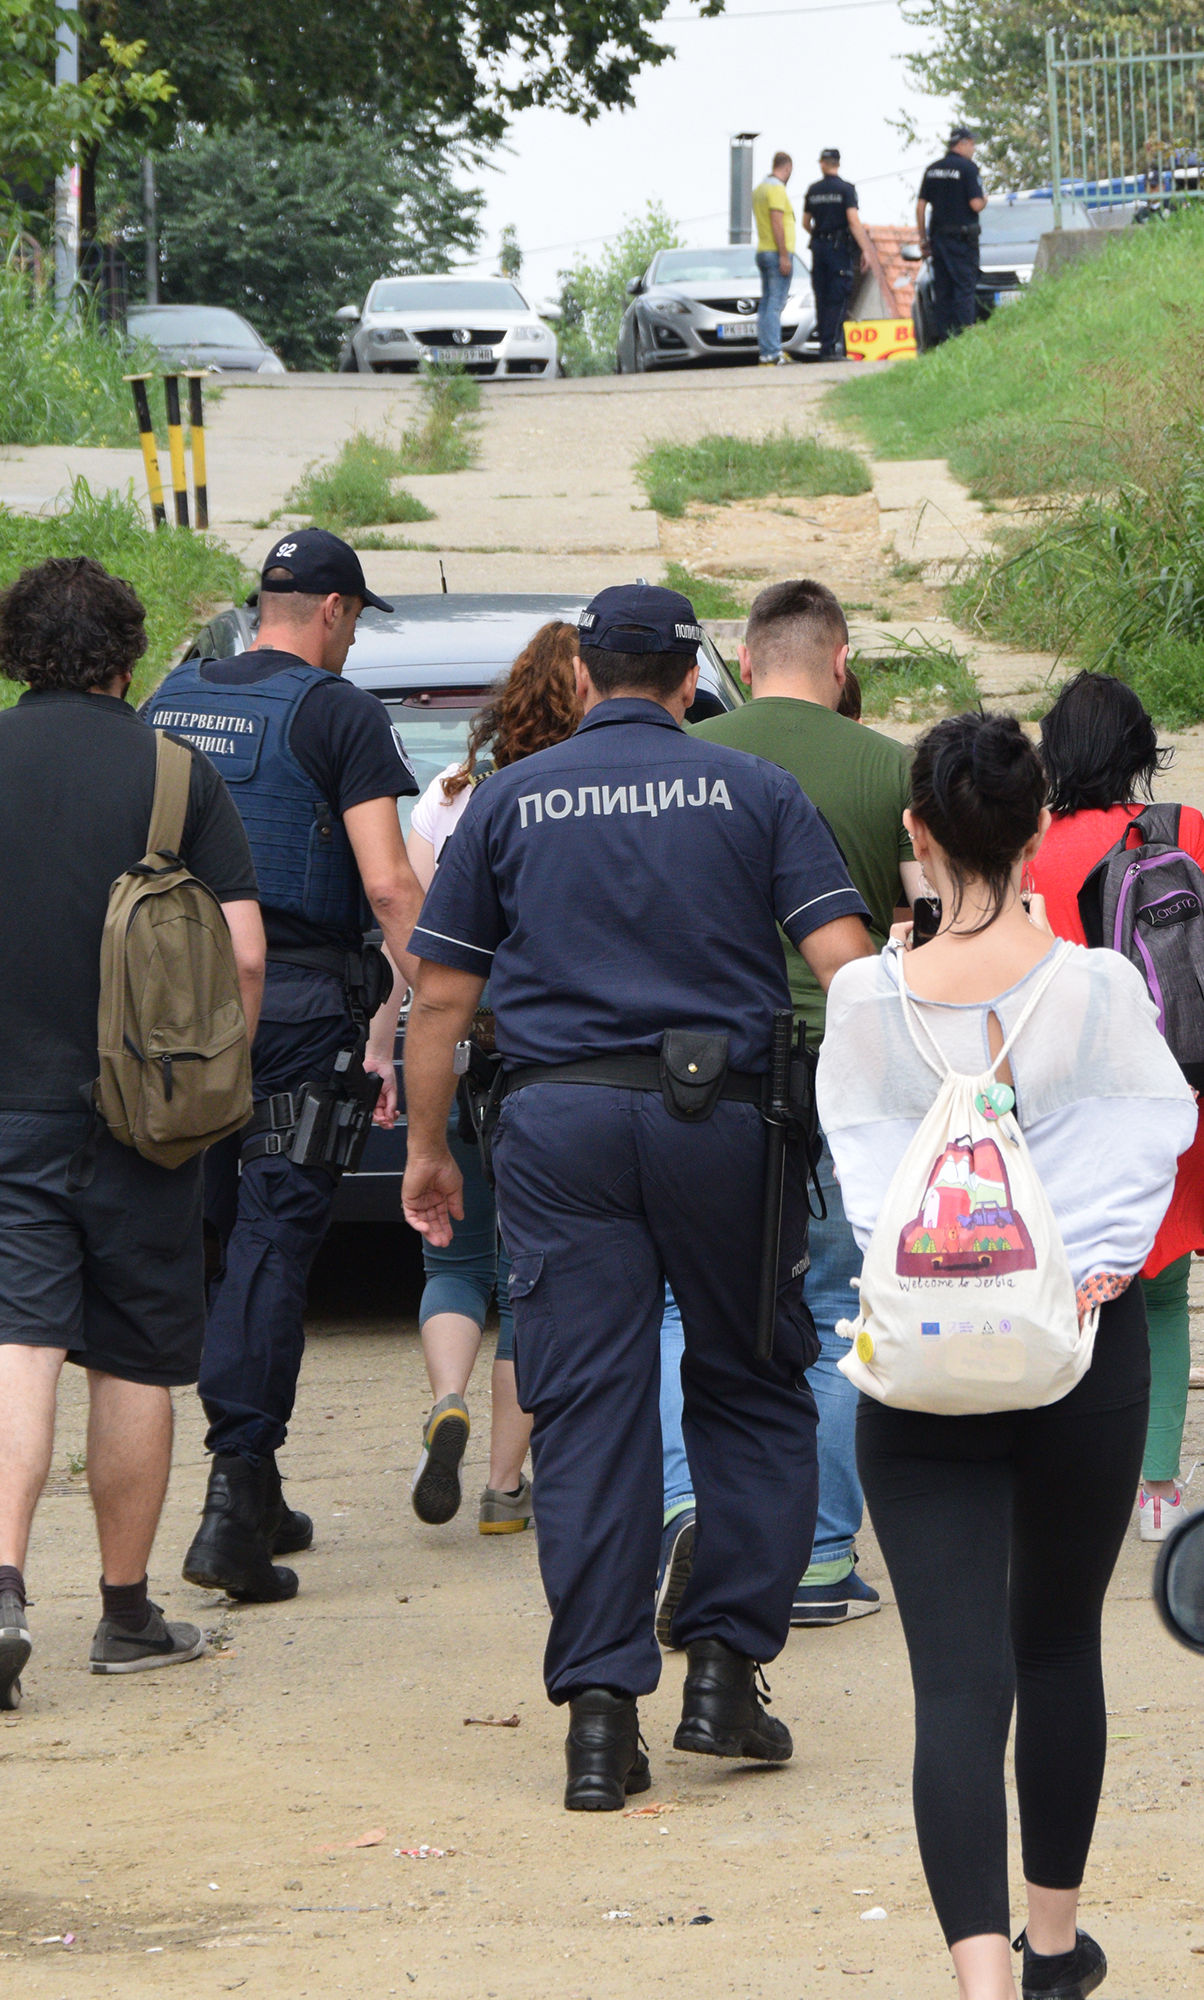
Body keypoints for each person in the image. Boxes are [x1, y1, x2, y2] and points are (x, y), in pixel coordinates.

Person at [396, 582, 876, 1813]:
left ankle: (601, 1722)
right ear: (685, 683)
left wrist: (431, 1147)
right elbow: (848, 971)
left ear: (588, 673)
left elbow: (441, 1000)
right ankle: (721, 1669)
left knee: (590, 1410)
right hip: (725, 1125)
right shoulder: (757, 792)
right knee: (754, 1380)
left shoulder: (509, 798)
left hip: (558, 1132)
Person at [820, 712, 1194, 2000]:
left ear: (916, 834)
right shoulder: (1093, 986)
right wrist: (1089, 1262)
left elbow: (868, 1180)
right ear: (1040, 827)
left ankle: (980, 1982)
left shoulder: (865, 995)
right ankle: (1051, 1949)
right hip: (1077, 1350)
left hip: (922, 1360)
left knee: (955, 1683)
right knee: (1056, 1647)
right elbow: (1157, 1128)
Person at [0, 557, 266, 1711]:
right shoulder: (172, 769)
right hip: (143, 1114)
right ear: (128, 656)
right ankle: (128, 1611)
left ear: (12, 650)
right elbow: (241, 953)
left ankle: (0, 1592)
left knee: (13, 1341)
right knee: (137, 1356)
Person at [143, 527, 423, 1604]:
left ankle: (254, 1492)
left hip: (174, 1006)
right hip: (298, 1003)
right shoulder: (338, 710)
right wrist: (443, 999)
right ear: (338, 612)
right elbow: (390, 887)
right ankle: (235, 1486)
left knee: (217, 1235)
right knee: (273, 1235)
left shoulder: (171, 697)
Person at [669, 577, 922, 1627]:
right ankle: (819, 1559)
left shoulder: (692, 761)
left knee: (689, 1305)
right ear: (840, 654)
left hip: (698, 1077)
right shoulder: (892, 767)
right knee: (829, 1311)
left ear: (746, 651)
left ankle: (689, 1511)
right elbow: (930, 926)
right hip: (840, 1073)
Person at [1030, 673, 1204, 1541]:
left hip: (1063, 1097)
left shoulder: (1031, 843)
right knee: (1162, 1296)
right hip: (1175, 1092)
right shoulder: (1179, 831)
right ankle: (1156, 1494)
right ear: (1138, 752)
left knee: (1065, 1292)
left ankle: (1067, 1481)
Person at [396, 619, 591, 1534]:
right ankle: (507, 1488)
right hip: (548, 1062)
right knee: (526, 1278)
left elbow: (425, 953)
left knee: (451, 1254)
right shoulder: (590, 794)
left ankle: (447, 1400)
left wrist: (395, 1045)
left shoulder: (449, 798)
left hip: (463, 1055)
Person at [802, 147, 875, 362]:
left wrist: (819, 234)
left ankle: (825, 346)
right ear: (838, 163)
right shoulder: (846, 189)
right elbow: (853, 221)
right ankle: (831, 347)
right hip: (838, 249)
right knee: (838, 297)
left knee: (822, 297)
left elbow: (806, 222)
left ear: (822, 164)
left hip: (818, 248)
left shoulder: (813, 190)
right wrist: (865, 251)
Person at [916, 126, 987, 341]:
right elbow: (975, 205)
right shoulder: (968, 168)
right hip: (962, 240)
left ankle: (945, 339)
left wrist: (923, 238)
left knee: (943, 289)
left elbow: (920, 207)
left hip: (939, 239)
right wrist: (985, 200)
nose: (974, 148)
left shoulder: (932, 169)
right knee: (964, 288)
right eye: (972, 144)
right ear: (962, 144)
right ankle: (966, 335)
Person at [753, 150, 800, 367]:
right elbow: (777, 222)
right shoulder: (777, 190)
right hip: (776, 252)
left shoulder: (760, 189)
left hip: (762, 250)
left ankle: (765, 352)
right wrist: (784, 255)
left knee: (765, 304)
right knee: (775, 304)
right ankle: (773, 352)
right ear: (787, 168)